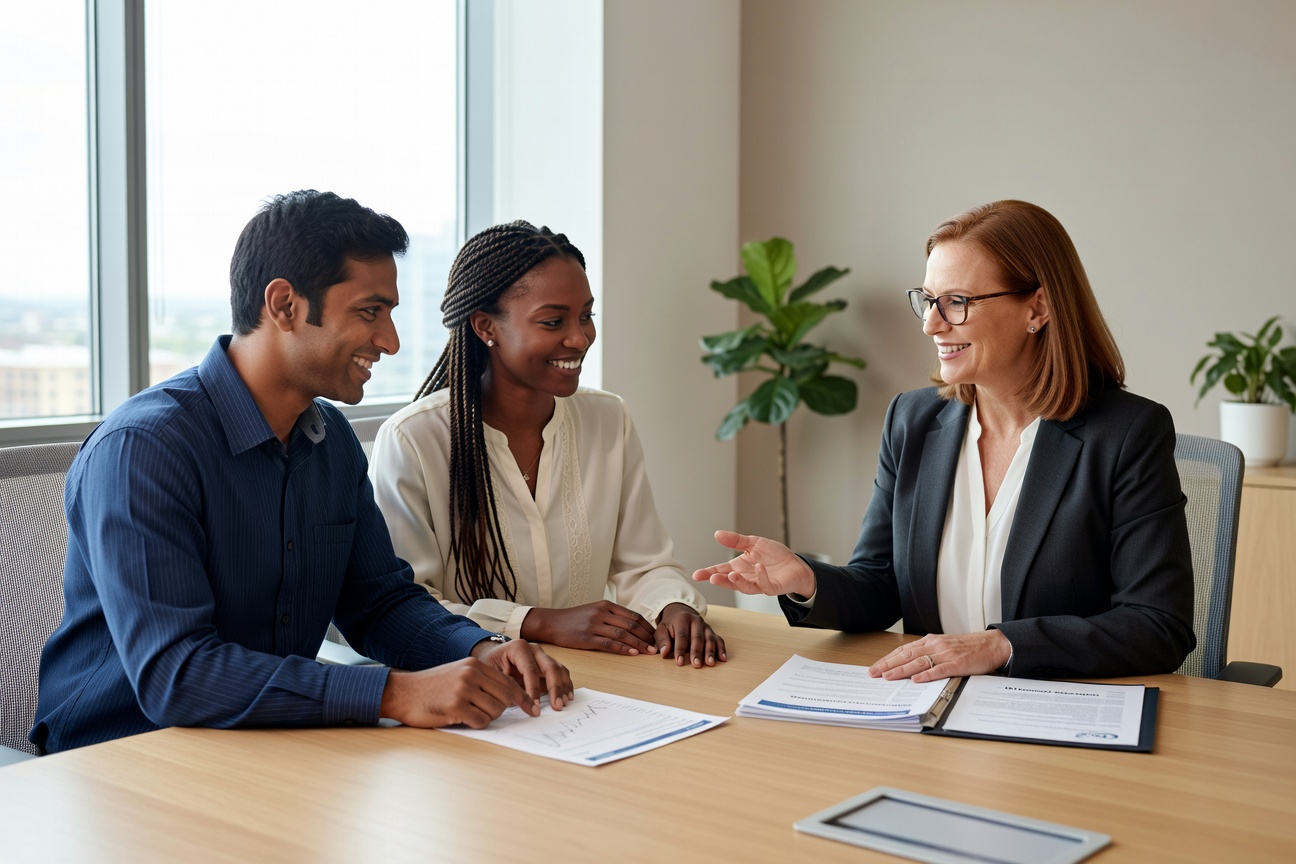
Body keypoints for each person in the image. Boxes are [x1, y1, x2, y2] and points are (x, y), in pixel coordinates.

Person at [31, 191, 572, 754]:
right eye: (370, 311)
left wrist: (480, 647)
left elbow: (379, 602)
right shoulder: (144, 449)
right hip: (116, 758)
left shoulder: (330, 440)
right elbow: (177, 673)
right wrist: (393, 693)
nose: (390, 341)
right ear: (285, 304)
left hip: (266, 744)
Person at [694, 200, 1195, 681]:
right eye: (929, 301)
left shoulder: (1128, 434)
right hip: (926, 710)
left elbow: (1157, 625)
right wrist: (807, 579)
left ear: (1037, 307)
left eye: (957, 303)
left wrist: (1002, 645)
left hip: (1054, 718)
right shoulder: (912, 420)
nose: (933, 324)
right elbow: (881, 584)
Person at [371, 220, 726, 668]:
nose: (579, 338)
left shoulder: (607, 419)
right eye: (553, 321)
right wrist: (536, 622)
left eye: (586, 316)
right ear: (486, 326)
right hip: (474, 687)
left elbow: (645, 563)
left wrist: (673, 606)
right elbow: (406, 608)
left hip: (602, 686)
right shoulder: (414, 440)